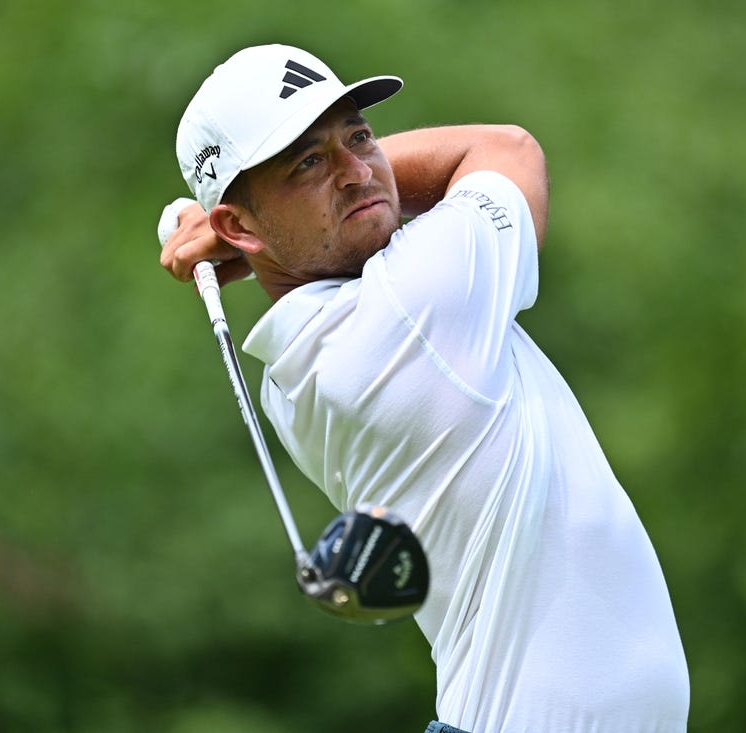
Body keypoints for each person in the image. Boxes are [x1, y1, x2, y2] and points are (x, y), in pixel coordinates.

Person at [158, 43, 689, 733]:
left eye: (359, 135)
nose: (357, 171)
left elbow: (348, 207)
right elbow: (508, 148)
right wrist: (244, 223)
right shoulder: (414, 304)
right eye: (308, 162)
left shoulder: (295, 370)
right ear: (236, 227)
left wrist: (253, 221)